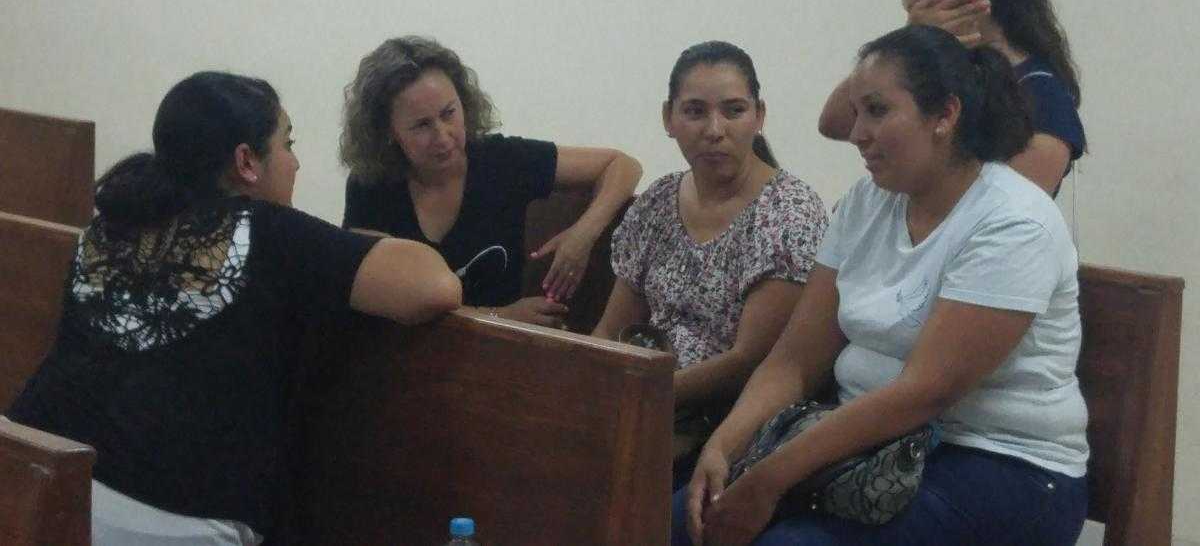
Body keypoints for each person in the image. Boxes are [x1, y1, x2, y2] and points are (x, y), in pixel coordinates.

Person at [5, 72, 462, 545]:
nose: (296, 163)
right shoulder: (267, 230)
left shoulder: (114, 222)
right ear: (246, 162)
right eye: (287, 144)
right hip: (169, 518)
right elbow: (434, 287)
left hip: (28, 470)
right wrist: (354, 241)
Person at [674, 25, 1089, 546]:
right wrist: (724, 447)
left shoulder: (1013, 221)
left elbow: (923, 393)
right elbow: (794, 360)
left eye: (876, 111)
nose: (856, 132)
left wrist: (769, 478)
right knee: (681, 518)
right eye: (856, 113)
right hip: (868, 447)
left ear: (945, 115)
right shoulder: (866, 202)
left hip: (998, 462)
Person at [591, 40, 827, 488]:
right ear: (669, 118)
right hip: (642, 403)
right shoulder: (658, 201)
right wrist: (588, 385)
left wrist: (643, 392)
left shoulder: (789, 210)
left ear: (759, 116)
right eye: (695, 112)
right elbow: (610, 331)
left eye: (734, 111)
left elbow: (749, 359)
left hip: (728, 425)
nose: (715, 129)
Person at [340, 36, 642, 326]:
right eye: (422, 125)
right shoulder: (371, 184)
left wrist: (581, 235)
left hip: (498, 351)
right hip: (406, 347)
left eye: (448, 113)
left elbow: (622, 165)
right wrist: (499, 317)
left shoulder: (500, 160)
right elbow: (379, 297)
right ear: (388, 131)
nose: (443, 136)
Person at [819, 0, 1086, 196]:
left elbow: (1012, 201)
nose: (914, 22)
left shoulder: (1045, 97)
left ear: (969, 2)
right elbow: (834, 122)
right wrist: (911, 39)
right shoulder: (948, 74)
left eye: (916, 9)